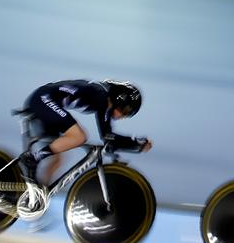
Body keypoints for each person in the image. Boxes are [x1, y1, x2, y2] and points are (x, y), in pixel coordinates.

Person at [17, 79, 152, 188]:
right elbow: (107, 137)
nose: (123, 116)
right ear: (119, 100)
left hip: (44, 99)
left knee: (58, 159)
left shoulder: (103, 96)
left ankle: (38, 193)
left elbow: (109, 139)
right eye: (125, 111)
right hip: (44, 99)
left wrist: (131, 145)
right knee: (79, 136)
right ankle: (33, 159)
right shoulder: (102, 98)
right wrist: (136, 142)